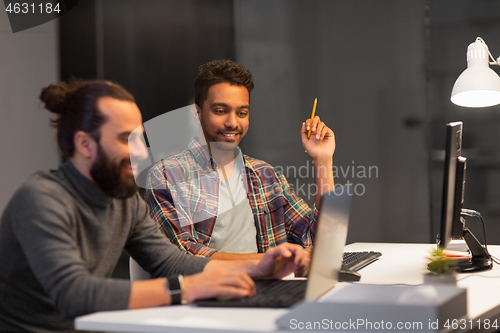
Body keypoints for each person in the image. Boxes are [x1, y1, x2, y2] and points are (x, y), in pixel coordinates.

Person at [0, 80, 308, 333]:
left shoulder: (123, 201)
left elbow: (169, 262)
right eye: (125, 139)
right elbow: (75, 294)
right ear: (85, 144)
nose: (139, 151)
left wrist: (258, 266)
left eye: (139, 138)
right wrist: (187, 289)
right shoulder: (41, 199)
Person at [145, 60, 335, 260]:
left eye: (242, 113)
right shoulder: (167, 175)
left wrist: (322, 159)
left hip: (270, 288)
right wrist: (270, 262)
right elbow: (184, 256)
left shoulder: (265, 175)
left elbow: (318, 240)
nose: (232, 122)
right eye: (220, 111)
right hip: (212, 289)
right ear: (196, 113)